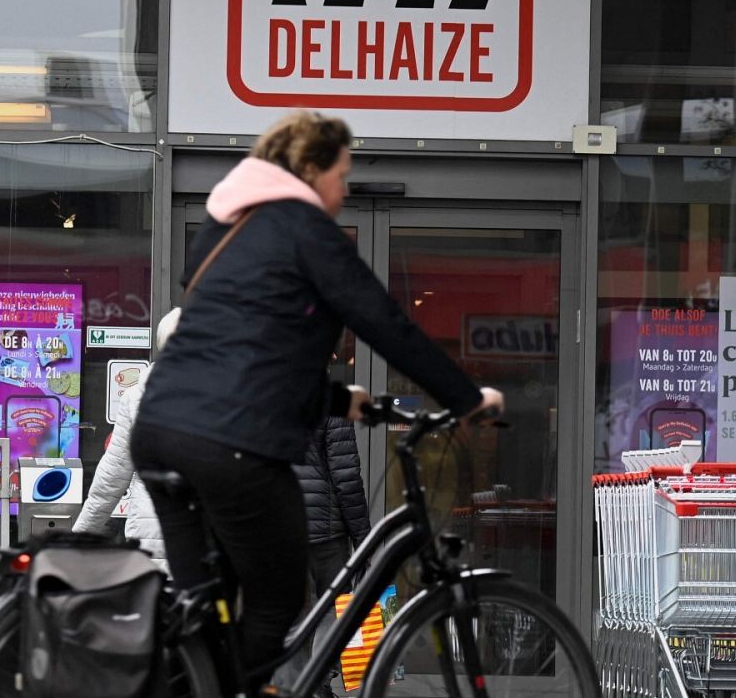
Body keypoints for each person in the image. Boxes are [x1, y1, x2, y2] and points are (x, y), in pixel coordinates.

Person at [130, 110, 503, 686]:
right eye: (341, 174)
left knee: (210, 610)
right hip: (231, 447)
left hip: (159, 435)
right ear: (309, 169)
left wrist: (335, 401)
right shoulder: (304, 228)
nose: (345, 189)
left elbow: (249, 354)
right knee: (278, 601)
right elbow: (384, 322)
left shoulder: (224, 229)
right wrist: (464, 398)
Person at [70, 307, 183, 569]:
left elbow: (111, 479)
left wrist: (78, 539)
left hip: (150, 543)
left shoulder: (137, 396)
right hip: (204, 544)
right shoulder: (221, 397)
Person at [292, 417, 371, 698]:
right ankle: (318, 685)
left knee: (293, 618)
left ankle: (296, 689)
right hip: (327, 534)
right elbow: (346, 477)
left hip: (282, 528)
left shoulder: (264, 392)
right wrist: (363, 535)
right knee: (333, 608)